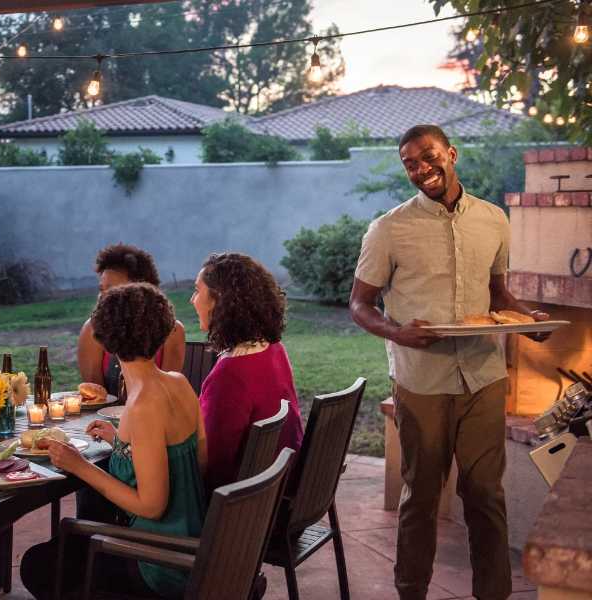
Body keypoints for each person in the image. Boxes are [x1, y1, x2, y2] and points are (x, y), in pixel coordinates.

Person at [349, 124, 550, 600]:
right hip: (422, 381)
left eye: (427, 156)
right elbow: (359, 304)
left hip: (483, 375)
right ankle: (410, 591)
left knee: (485, 494)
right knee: (420, 495)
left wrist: (528, 320)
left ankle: (493, 594)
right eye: (410, 163)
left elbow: (498, 295)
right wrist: (396, 333)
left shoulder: (494, 220)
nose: (420, 169)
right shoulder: (388, 228)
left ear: (451, 153)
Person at [22, 283, 206, 599]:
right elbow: (198, 462)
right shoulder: (179, 383)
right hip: (195, 547)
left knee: (38, 565)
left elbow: (152, 505)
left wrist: (79, 466)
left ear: (107, 340)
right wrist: (122, 444)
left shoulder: (142, 405)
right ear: (162, 330)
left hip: (159, 564)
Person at [190, 252, 303, 494]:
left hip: (238, 512)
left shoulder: (229, 375)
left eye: (197, 291)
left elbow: (211, 466)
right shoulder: (273, 348)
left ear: (218, 301)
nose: (192, 300)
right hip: (279, 492)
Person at [77, 244, 185, 393]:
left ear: (141, 291)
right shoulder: (92, 330)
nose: (103, 297)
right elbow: (95, 398)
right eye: (102, 289)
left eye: (113, 290)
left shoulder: (173, 331)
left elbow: (168, 392)